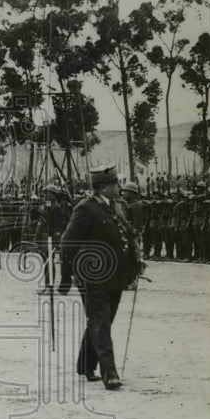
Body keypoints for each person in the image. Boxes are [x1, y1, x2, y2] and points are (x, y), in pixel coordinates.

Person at [60, 165, 142, 390]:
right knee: (101, 322)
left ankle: (85, 363)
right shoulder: (85, 209)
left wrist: (135, 265)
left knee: (103, 320)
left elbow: (126, 236)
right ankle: (110, 373)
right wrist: (65, 278)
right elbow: (67, 244)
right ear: (103, 188)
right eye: (116, 184)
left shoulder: (117, 206)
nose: (119, 187)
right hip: (92, 277)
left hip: (115, 276)